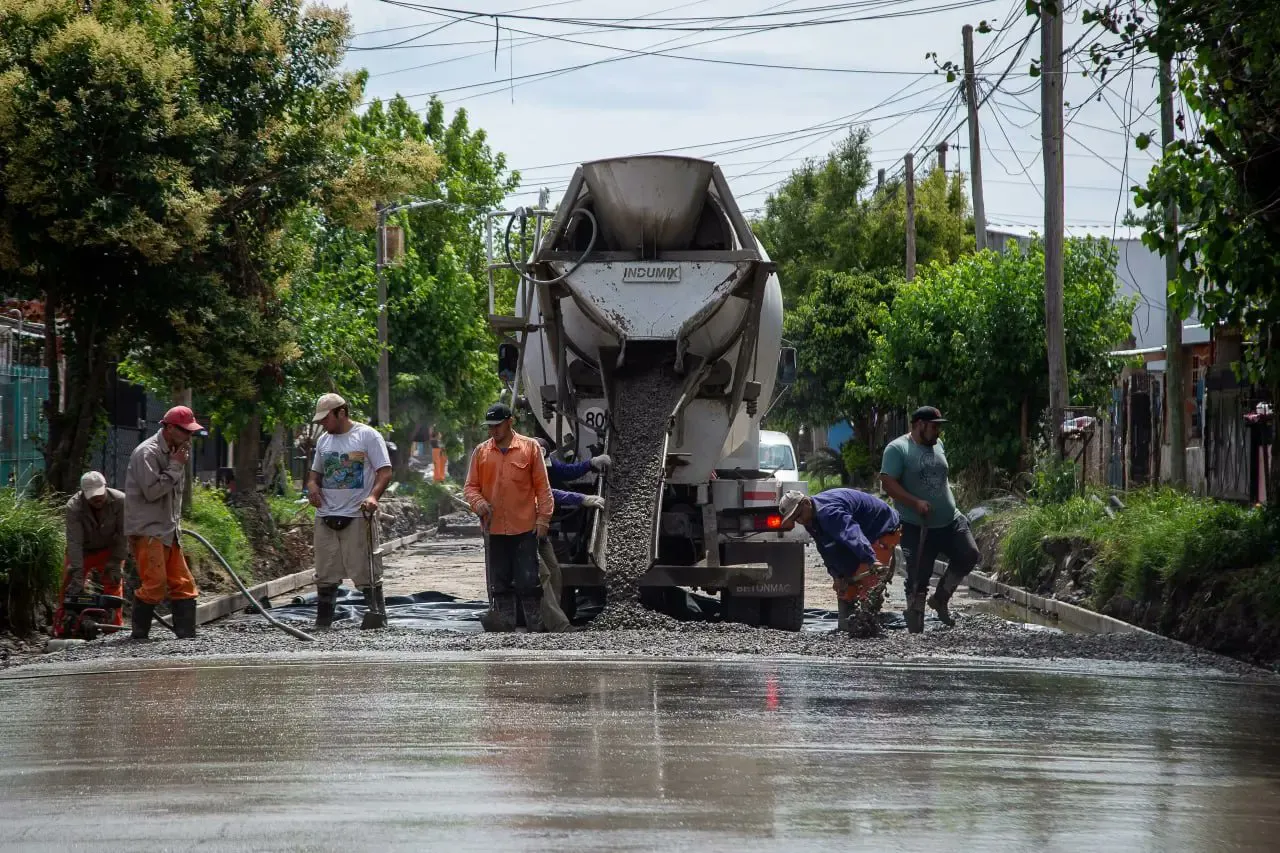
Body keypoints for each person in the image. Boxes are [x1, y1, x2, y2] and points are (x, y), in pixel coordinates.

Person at [879, 406, 982, 632]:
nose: (938, 432)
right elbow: (888, 483)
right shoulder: (897, 449)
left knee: (969, 554)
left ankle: (941, 597)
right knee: (918, 575)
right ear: (919, 425)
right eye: (934, 427)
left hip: (950, 519)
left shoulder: (938, 445)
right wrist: (915, 502)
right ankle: (915, 619)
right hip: (916, 525)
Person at [464, 403, 554, 632]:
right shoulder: (481, 452)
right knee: (500, 581)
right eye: (490, 427)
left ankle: (535, 626)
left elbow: (543, 488)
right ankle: (505, 627)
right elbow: (470, 487)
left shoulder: (529, 448)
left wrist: (543, 519)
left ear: (510, 422)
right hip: (494, 529)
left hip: (524, 527)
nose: (493, 431)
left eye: (497, 425)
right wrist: (479, 503)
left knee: (528, 580)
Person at [307, 393, 393, 629]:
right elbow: (314, 476)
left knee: (367, 572)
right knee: (325, 574)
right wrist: (313, 486)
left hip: (357, 516)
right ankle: (323, 622)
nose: (323, 424)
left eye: (326, 418)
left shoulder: (367, 436)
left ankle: (377, 616)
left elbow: (384, 471)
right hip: (326, 515)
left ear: (341, 413)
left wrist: (373, 496)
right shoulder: (324, 441)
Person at [124, 405, 205, 639]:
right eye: (185, 431)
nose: (189, 436)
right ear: (169, 428)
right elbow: (152, 492)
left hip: (168, 529)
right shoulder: (146, 453)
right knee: (154, 585)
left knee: (183, 584)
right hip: (149, 529)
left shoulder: (175, 450)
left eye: (191, 432)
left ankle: (186, 635)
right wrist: (176, 465)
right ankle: (139, 636)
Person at [779, 488, 901, 637]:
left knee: (867, 584)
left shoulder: (829, 512)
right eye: (795, 519)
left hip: (882, 528)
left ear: (806, 503)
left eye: (799, 515)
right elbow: (826, 549)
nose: (800, 521)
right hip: (864, 533)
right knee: (844, 586)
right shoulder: (810, 519)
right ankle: (847, 628)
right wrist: (837, 575)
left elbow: (851, 533)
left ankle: (868, 631)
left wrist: (871, 559)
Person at [533, 437, 611, 632]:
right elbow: (548, 493)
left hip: (540, 529)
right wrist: (581, 498)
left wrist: (590, 464)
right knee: (542, 576)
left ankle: (550, 620)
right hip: (523, 530)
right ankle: (558, 626)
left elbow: (565, 471)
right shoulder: (523, 468)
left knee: (555, 573)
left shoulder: (544, 463)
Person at [53, 471, 128, 638]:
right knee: (69, 585)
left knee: (113, 583)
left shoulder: (121, 501)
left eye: (100, 494)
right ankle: (64, 624)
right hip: (83, 550)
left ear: (105, 487)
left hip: (109, 549)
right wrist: (77, 574)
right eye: (92, 496)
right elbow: (74, 541)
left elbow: (124, 534)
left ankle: (113, 627)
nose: (97, 499)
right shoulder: (74, 507)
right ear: (83, 494)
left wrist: (116, 562)